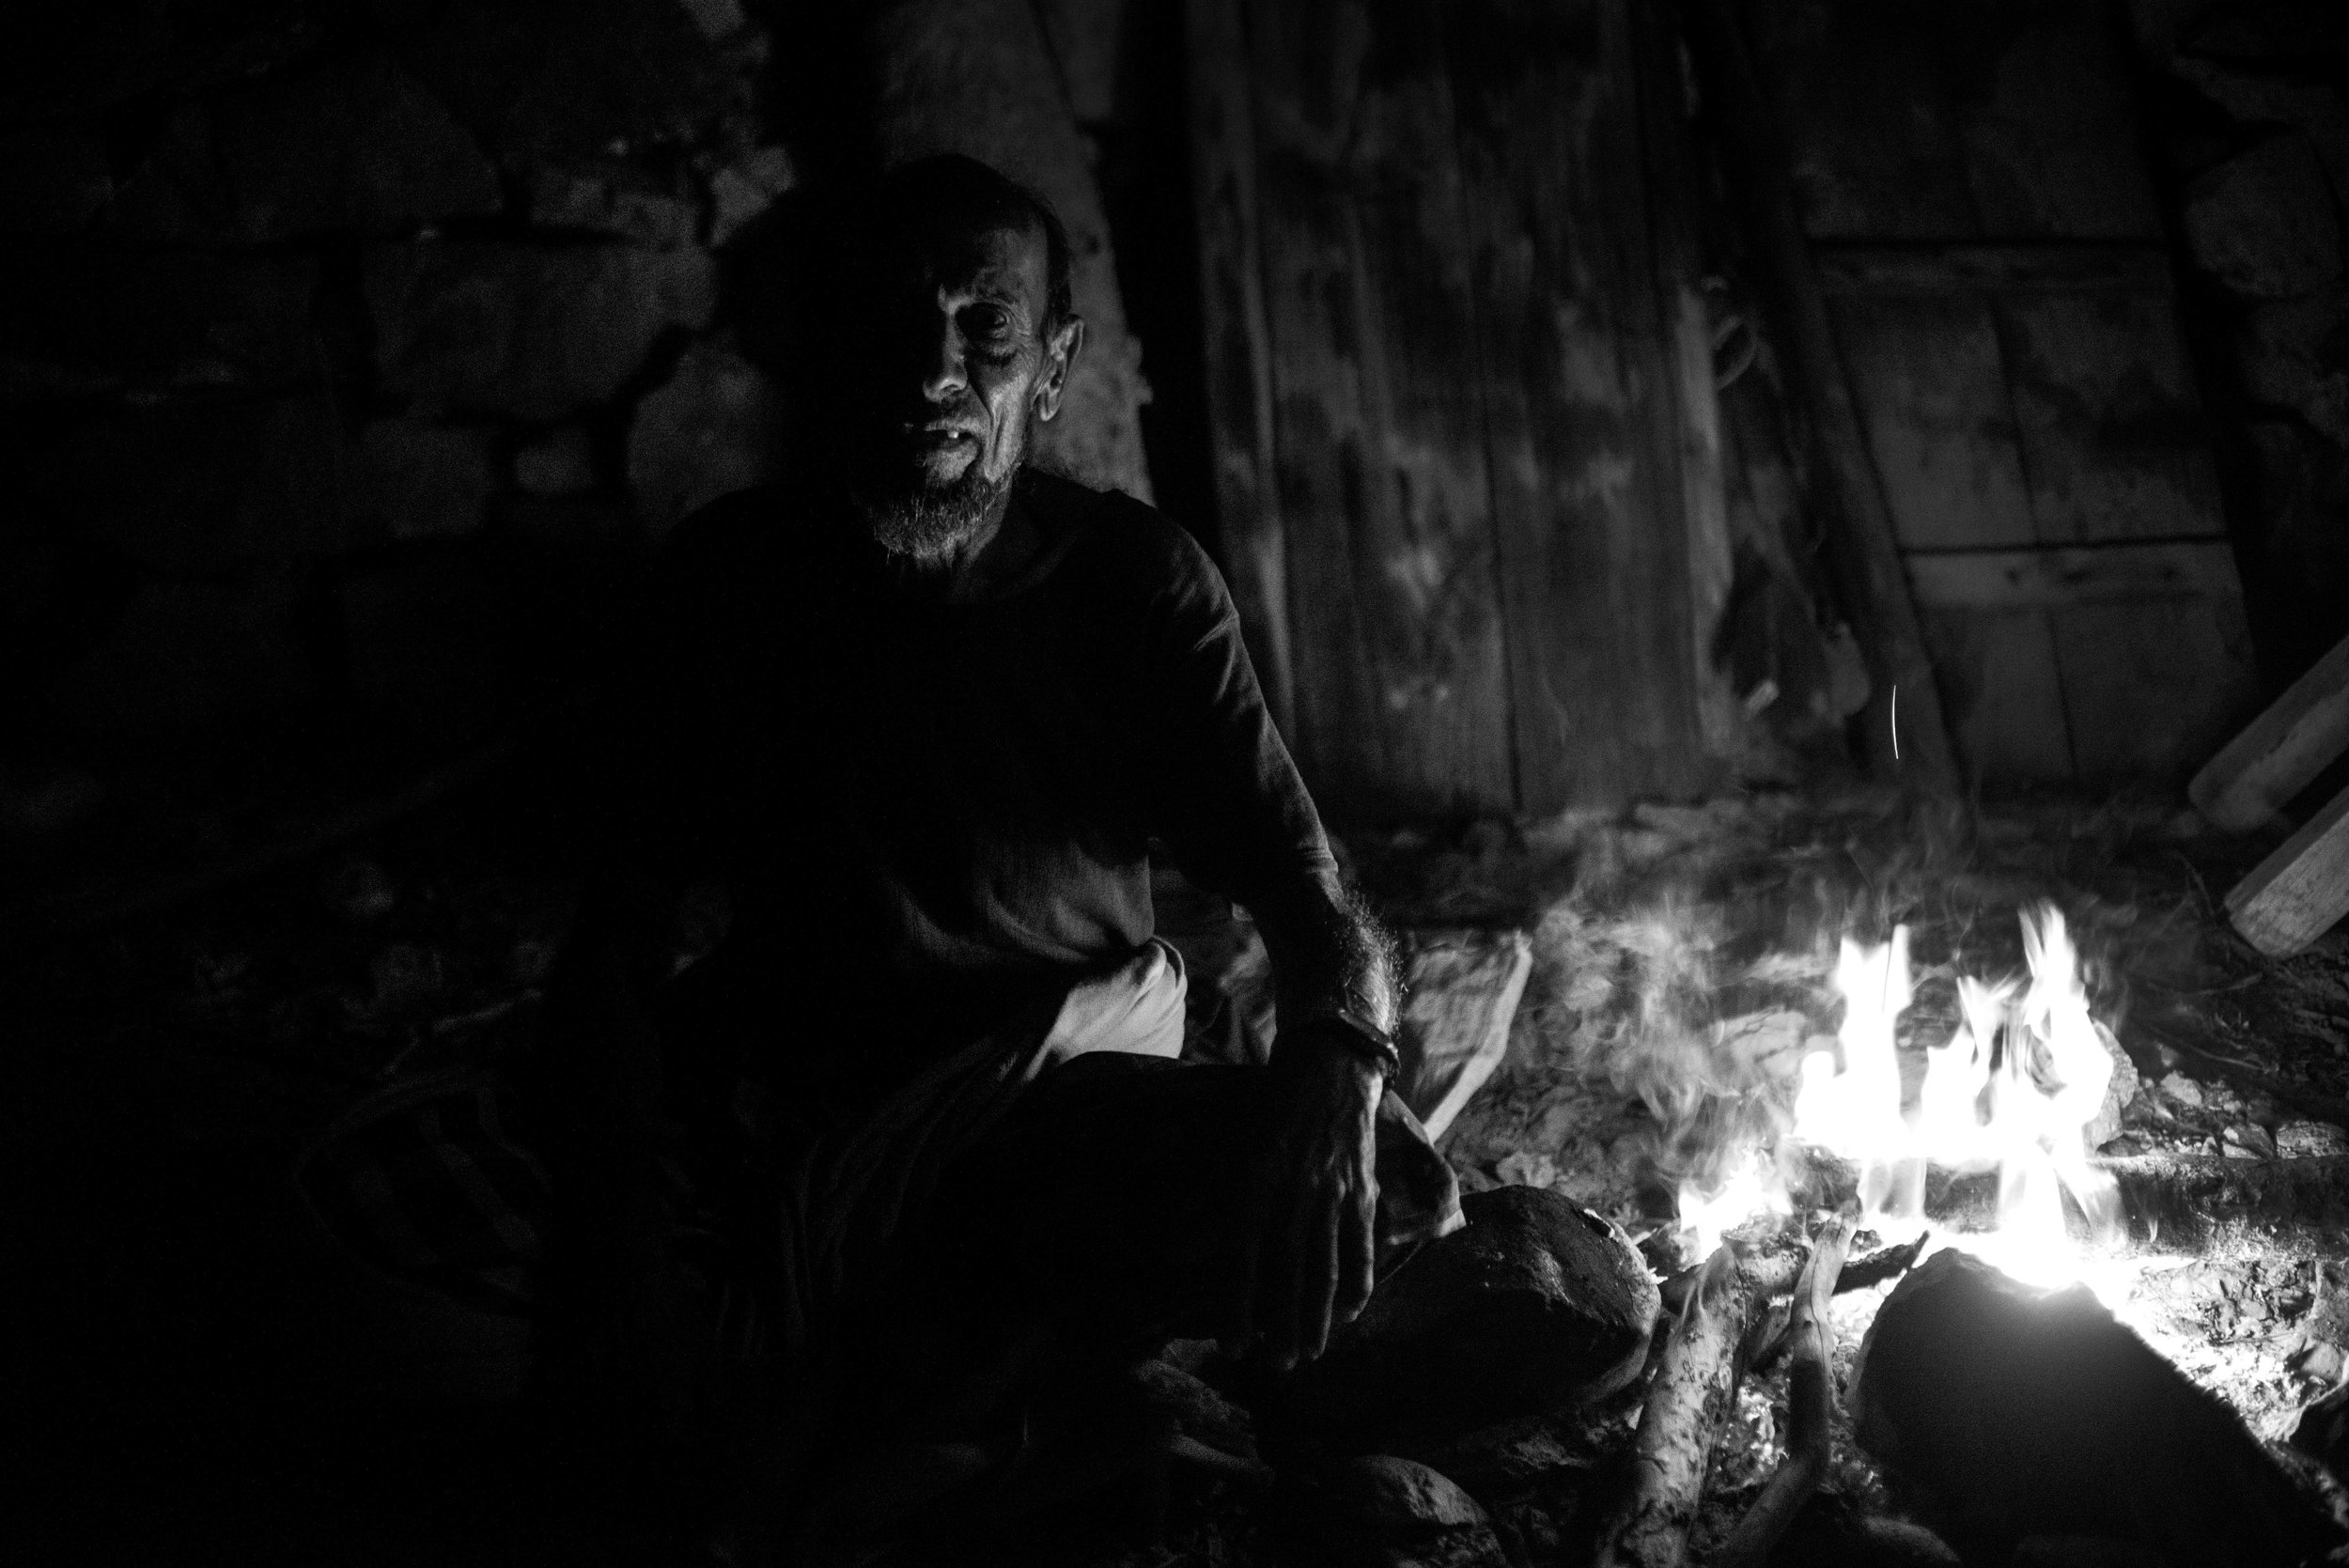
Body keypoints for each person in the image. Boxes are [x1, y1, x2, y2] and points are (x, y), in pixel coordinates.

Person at [526, 153, 1461, 1558]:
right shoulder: (735, 587)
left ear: (1054, 368)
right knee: (614, 1361)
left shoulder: (1137, 590)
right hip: (820, 1120)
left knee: (1394, 1193)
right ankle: (1003, 1419)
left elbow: (1307, 892)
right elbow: (616, 938)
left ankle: (923, 1424)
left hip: (1060, 1107)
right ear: (831, 349)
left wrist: (1338, 1065)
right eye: (899, 326)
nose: (935, 374)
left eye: (988, 331)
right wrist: (613, 1238)